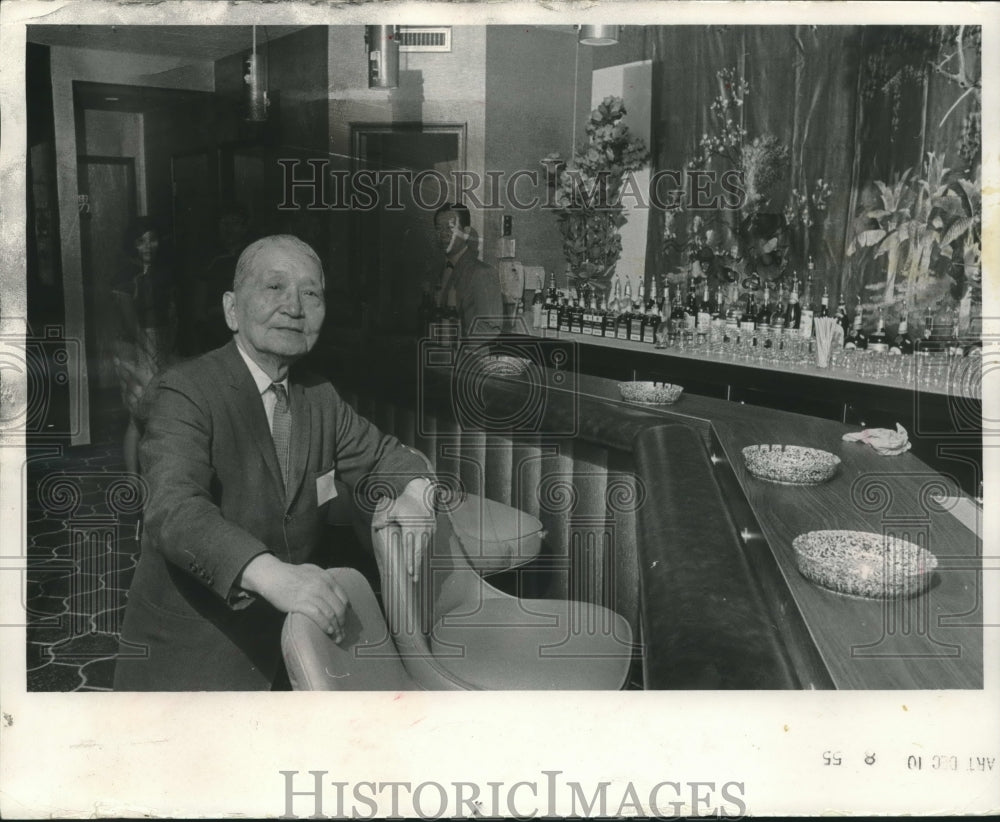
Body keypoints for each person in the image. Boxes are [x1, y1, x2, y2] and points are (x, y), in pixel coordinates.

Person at [113, 234, 436, 691]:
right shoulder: (185, 389)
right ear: (231, 309)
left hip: (289, 650)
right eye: (274, 288)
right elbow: (174, 508)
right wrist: (274, 576)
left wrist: (417, 494)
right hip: (194, 657)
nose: (295, 307)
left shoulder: (319, 396)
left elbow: (386, 456)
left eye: (311, 293)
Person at [110, 218, 177, 476]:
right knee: (138, 416)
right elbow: (131, 325)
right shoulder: (125, 277)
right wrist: (150, 352)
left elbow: (172, 314)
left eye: (153, 239)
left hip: (161, 343)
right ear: (132, 245)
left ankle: (158, 475)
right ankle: (132, 478)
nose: (148, 246)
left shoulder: (163, 273)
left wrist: (166, 346)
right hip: (134, 348)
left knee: (163, 411)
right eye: (141, 241)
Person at [188, 204, 253, 355]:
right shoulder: (210, 258)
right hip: (216, 328)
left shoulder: (253, 255)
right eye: (224, 223)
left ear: (244, 228)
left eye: (234, 223)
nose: (228, 229)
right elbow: (199, 297)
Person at [433, 203, 503, 337]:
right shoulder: (441, 272)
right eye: (438, 229)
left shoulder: (483, 273)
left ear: (466, 233)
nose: (443, 235)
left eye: (450, 228)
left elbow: (490, 331)